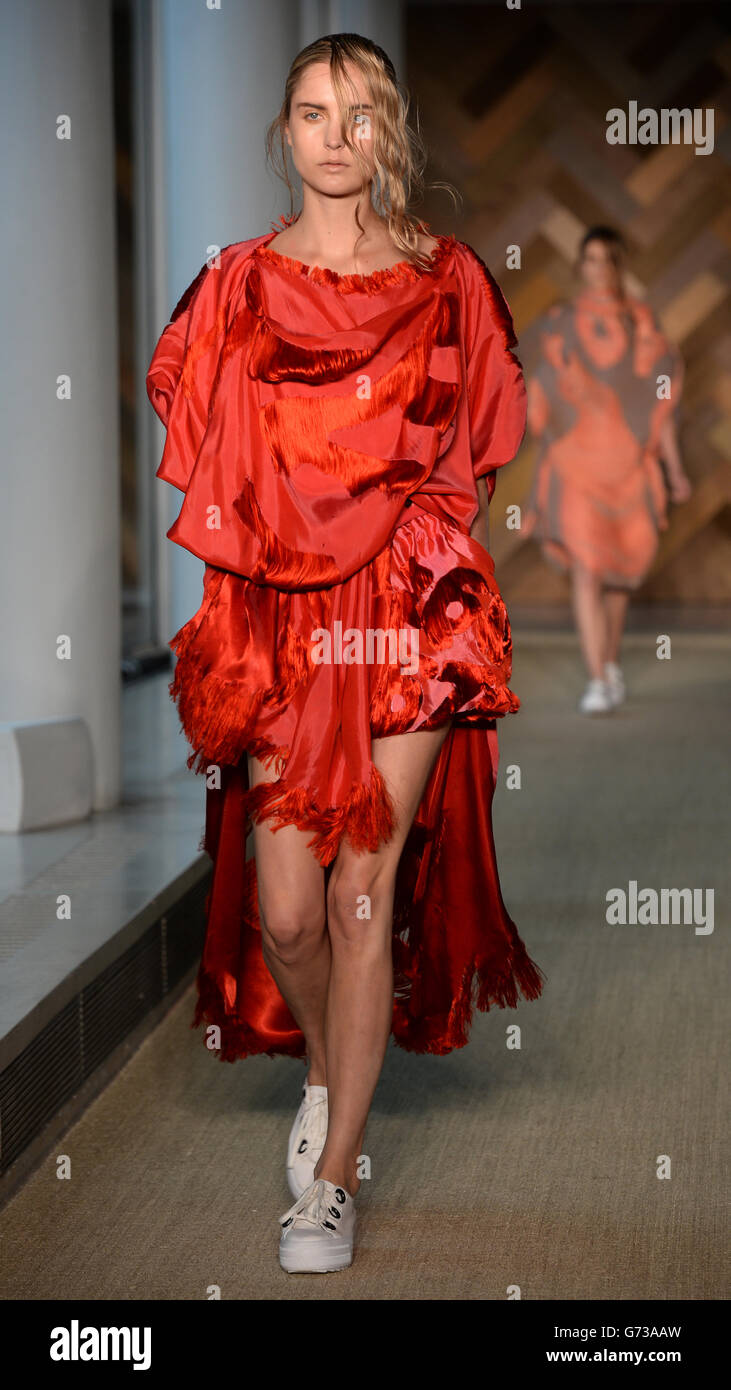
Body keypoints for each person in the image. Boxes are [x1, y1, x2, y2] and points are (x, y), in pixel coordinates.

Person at [146, 32, 544, 1275]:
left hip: (407, 610)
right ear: (282, 131)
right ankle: (326, 1068)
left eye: (358, 112)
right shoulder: (238, 286)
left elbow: (479, 443)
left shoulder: (447, 280)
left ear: (389, 134)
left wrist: (400, 536)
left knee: (362, 895)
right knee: (286, 913)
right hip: (281, 617)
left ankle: (330, 1177)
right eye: (311, 110)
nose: (333, 133)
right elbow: (196, 423)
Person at [522, 226, 692, 714]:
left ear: (619, 265)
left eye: (608, 259)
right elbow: (544, 401)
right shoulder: (559, 324)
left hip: (630, 467)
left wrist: (675, 470)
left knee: (619, 575)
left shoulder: (644, 327)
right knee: (588, 568)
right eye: (590, 259)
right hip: (577, 463)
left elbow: (661, 406)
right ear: (580, 266)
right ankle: (598, 677)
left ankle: (609, 663)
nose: (599, 268)